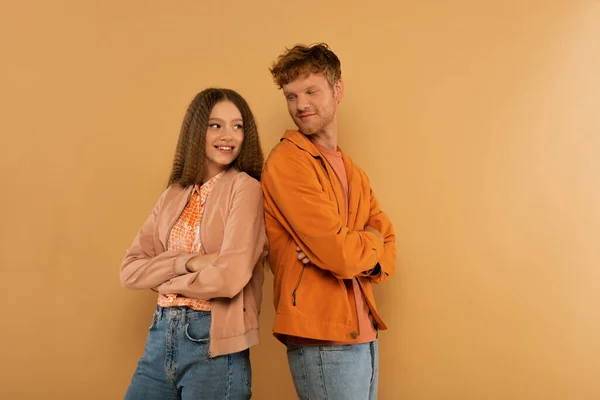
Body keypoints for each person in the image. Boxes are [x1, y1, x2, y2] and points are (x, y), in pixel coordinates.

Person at [261, 43, 396, 400]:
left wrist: (358, 246)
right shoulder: (287, 162)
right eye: (291, 96)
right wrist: (360, 245)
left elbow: (388, 241)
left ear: (337, 91)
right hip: (321, 337)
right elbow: (342, 255)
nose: (300, 104)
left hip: (363, 331)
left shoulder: (354, 172)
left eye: (310, 91)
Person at [120, 88, 267, 400]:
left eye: (237, 126)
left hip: (213, 346)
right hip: (160, 339)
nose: (228, 135)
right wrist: (188, 262)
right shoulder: (174, 192)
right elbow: (130, 270)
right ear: (196, 130)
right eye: (215, 125)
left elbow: (228, 279)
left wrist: (163, 279)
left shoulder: (246, 189)